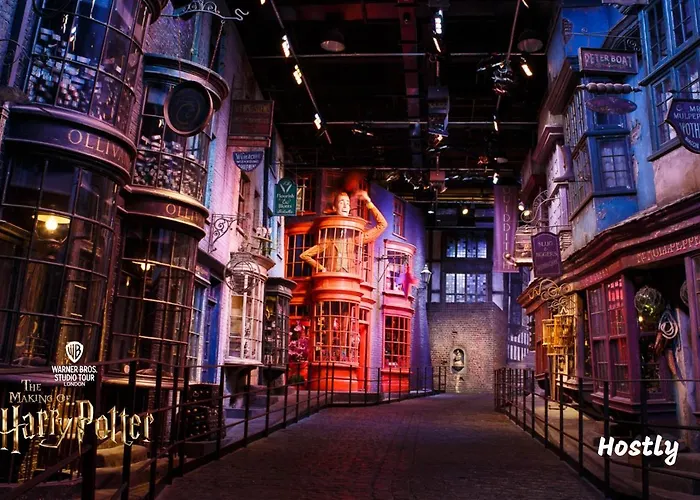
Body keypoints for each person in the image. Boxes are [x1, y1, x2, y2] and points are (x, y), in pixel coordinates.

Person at [300, 190, 387, 273]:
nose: (345, 206)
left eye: (348, 203)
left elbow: (382, 224)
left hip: (350, 276)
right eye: (341, 202)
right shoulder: (328, 238)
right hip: (331, 276)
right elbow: (304, 255)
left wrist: (369, 202)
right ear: (334, 208)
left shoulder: (355, 237)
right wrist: (321, 268)